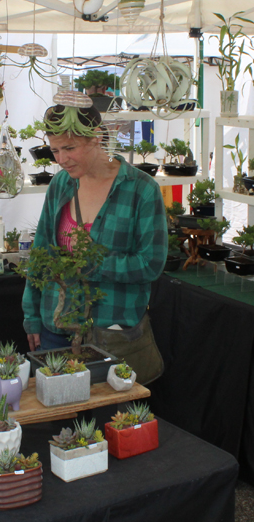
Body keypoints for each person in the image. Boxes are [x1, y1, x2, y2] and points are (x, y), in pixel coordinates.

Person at [22, 103, 168, 384]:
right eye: (55, 150)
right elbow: (41, 253)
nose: (61, 159)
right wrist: (31, 314)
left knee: (107, 419)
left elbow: (151, 264)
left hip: (112, 330)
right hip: (57, 326)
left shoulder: (140, 190)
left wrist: (94, 264)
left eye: (70, 148)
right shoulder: (61, 185)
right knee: (57, 415)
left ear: (96, 138)